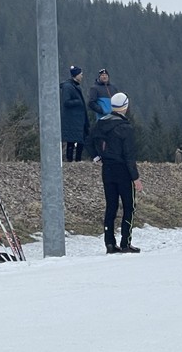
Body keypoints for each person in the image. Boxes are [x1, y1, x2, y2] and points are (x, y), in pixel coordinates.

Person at [86, 92, 143, 254]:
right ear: (125, 106)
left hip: (107, 169)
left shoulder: (101, 123)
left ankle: (109, 243)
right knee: (128, 206)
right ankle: (126, 242)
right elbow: (129, 156)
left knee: (111, 206)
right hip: (123, 171)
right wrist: (136, 178)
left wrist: (97, 157)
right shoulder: (126, 128)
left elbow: (88, 140)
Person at [60, 65, 89, 162]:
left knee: (78, 140)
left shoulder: (73, 86)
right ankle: (71, 160)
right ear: (76, 75)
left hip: (77, 119)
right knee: (71, 141)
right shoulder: (68, 87)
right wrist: (78, 101)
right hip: (72, 120)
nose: (82, 76)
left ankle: (76, 159)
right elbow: (66, 102)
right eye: (81, 74)